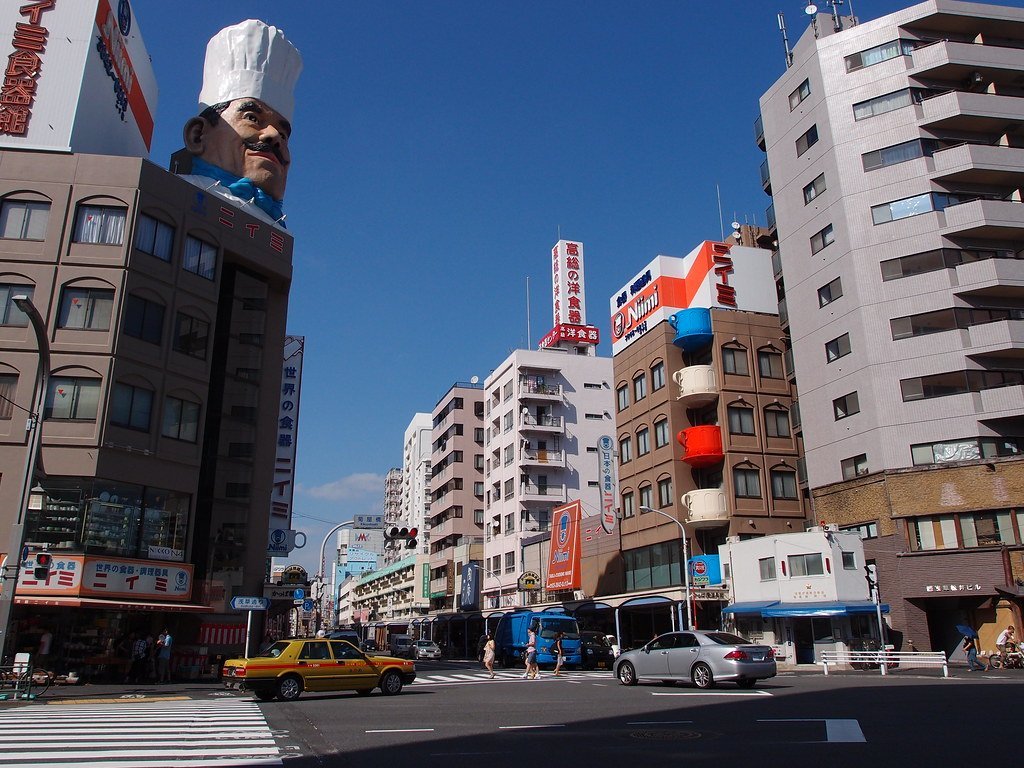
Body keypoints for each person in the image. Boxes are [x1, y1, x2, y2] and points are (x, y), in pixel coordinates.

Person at [178, 20, 303, 229]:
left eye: (284, 134)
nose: (273, 135)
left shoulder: (277, 230)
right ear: (198, 135)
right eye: (252, 118)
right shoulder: (173, 194)